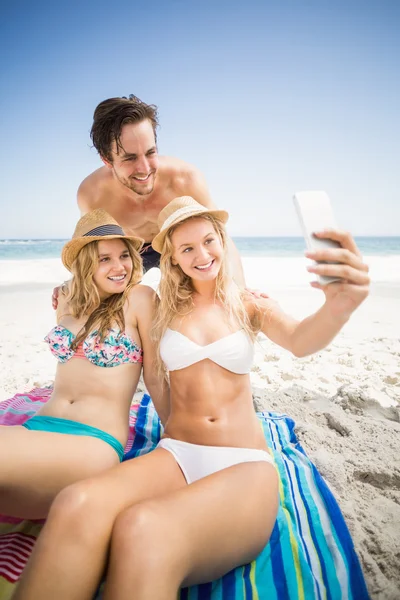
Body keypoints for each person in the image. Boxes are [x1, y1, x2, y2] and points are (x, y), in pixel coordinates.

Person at [13, 197, 370, 600]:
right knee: (76, 502)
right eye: (187, 248)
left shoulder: (248, 303)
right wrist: (67, 289)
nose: (202, 255)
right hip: (177, 454)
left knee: (144, 528)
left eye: (208, 241)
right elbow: (109, 296)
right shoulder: (160, 309)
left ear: (221, 240)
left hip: (243, 464)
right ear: (173, 260)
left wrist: (339, 306)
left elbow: (302, 339)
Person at [0, 209, 168, 520]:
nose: (119, 267)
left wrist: (174, 433)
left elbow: (156, 377)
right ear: (86, 265)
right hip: (38, 426)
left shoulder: (141, 299)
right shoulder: (67, 299)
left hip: (93, 440)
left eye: (124, 256)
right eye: (104, 259)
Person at [77, 94, 245, 280]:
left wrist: (242, 292)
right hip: (131, 252)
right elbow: (90, 251)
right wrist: (73, 287)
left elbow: (221, 240)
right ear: (107, 159)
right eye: (130, 158)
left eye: (150, 152)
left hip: (179, 247)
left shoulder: (186, 179)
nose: (145, 169)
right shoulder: (92, 194)